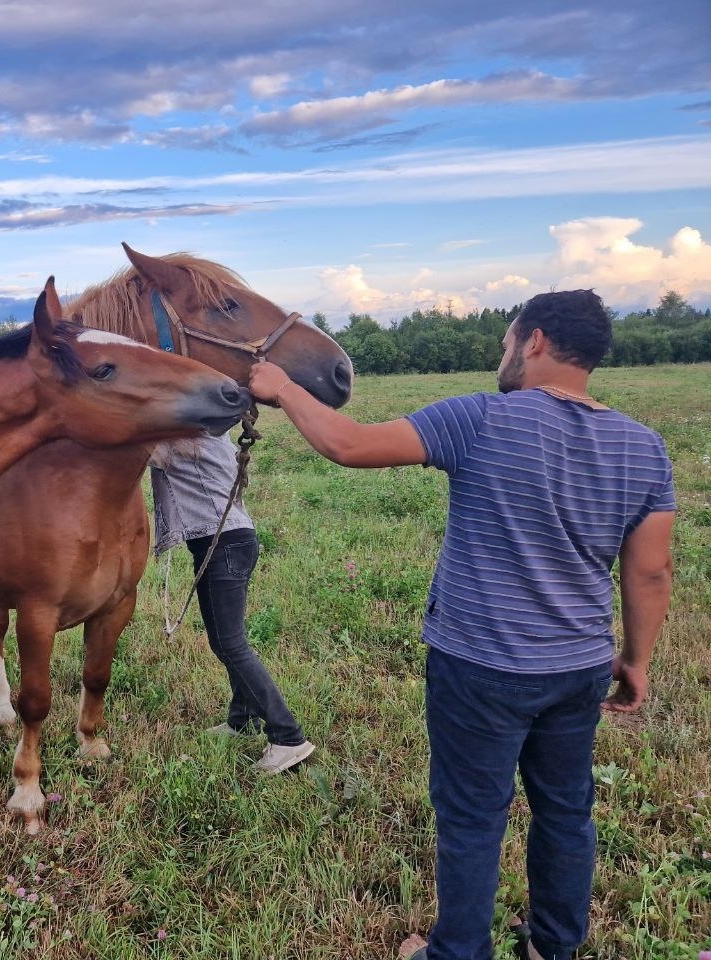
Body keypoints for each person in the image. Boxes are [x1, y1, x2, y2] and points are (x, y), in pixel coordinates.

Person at [247, 290, 675, 960]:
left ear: (534, 341)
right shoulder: (645, 449)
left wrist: (280, 388)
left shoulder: (481, 419)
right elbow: (651, 573)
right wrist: (637, 658)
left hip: (480, 664)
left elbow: (349, 444)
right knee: (566, 810)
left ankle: (457, 952)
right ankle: (553, 947)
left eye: (507, 340)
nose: (502, 354)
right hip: (578, 667)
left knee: (473, 816)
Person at [150, 433, 315, 773]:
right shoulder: (210, 433)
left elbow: (128, 445)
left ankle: (287, 736)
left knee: (229, 643)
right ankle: (242, 719)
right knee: (225, 640)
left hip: (221, 543)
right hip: (227, 541)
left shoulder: (182, 440)